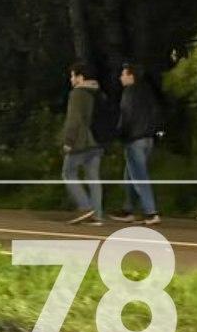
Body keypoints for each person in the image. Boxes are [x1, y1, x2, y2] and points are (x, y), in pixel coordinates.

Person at [111, 63, 163, 225]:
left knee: (139, 176)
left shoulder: (129, 92)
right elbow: (157, 113)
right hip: (148, 139)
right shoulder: (147, 92)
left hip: (134, 139)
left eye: (123, 74)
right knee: (130, 175)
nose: (120, 77)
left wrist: (119, 134)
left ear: (131, 76)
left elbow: (126, 115)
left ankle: (151, 212)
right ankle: (128, 210)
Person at [60, 63, 106, 225]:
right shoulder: (98, 93)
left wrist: (68, 141)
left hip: (81, 142)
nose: (71, 79)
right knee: (93, 178)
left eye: (73, 75)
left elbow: (74, 120)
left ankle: (85, 207)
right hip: (98, 141)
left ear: (80, 77)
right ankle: (97, 216)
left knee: (68, 173)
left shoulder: (77, 94)